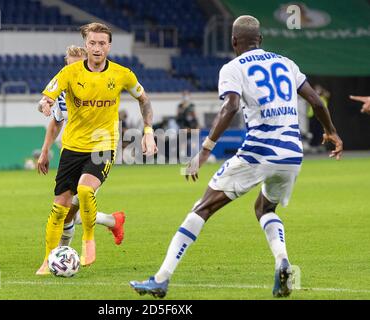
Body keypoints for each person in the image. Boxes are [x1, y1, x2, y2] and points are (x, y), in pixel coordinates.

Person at [130, 15, 343, 298]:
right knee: (265, 209)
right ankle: (282, 262)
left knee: (201, 208)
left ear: (233, 42)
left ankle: (161, 278)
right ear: (261, 40)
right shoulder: (286, 63)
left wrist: (205, 150)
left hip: (259, 150)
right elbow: (315, 101)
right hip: (292, 153)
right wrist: (331, 133)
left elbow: (230, 106)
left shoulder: (232, 68)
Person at [36, 22, 157, 273]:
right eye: (92, 43)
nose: (97, 48)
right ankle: (47, 260)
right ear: (86, 45)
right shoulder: (69, 73)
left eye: (102, 43)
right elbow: (47, 98)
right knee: (60, 207)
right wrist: (45, 104)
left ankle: (88, 241)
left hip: (104, 143)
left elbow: (144, 100)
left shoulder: (123, 74)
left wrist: (148, 132)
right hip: (72, 146)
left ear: (109, 46)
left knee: (84, 190)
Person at [36, 45, 125, 259]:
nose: (74, 72)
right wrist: (45, 151)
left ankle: (60, 256)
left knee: (74, 207)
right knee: (66, 212)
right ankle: (113, 221)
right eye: (69, 66)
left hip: (98, 149)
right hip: (73, 150)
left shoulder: (98, 83)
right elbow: (55, 120)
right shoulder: (63, 88)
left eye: (77, 66)